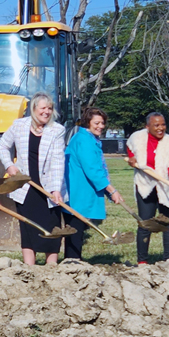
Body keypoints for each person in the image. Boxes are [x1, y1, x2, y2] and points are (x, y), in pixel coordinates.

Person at [0, 92, 65, 265]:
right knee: (28, 227)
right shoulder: (19, 125)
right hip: (25, 187)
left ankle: (51, 267)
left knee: (52, 226)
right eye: (43, 108)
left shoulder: (57, 130)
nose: (47, 112)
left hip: (47, 188)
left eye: (50, 108)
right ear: (34, 109)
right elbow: (2, 146)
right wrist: (9, 165)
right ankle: (29, 267)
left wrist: (56, 189)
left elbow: (58, 161)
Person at [63, 107, 124, 260]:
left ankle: (74, 261)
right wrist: (112, 190)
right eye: (96, 123)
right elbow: (93, 170)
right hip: (78, 193)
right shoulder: (84, 140)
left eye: (102, 123)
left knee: (78, 230)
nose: (101, 126)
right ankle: (72, 263)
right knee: (75, 230)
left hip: (83, 192)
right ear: (87, 123)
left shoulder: (89, 139)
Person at [126, 112, 169, 265]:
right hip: (145, 185)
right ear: (147, 126)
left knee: (168, 223)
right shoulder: (138, 138)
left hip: (167, 186)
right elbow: (130, 147)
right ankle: (142, 261)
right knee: (145, 224)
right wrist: (132, 158)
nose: (160, 128)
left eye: (163, 124)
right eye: (156, 125)